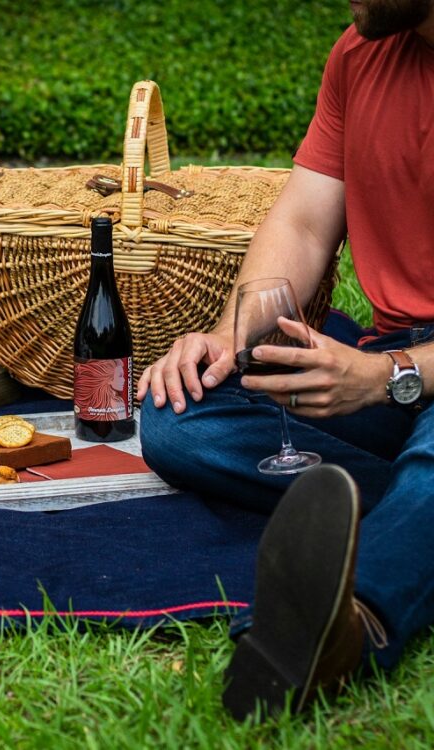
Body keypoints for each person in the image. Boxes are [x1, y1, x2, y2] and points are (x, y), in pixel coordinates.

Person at [137, 0, 434, 720]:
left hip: (403, 375)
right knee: (180, 414)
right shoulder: (359, 56)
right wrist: (226, 339)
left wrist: (392, 377)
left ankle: (345, 624)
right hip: (393, 366)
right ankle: (415, 510)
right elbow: (302, 223)